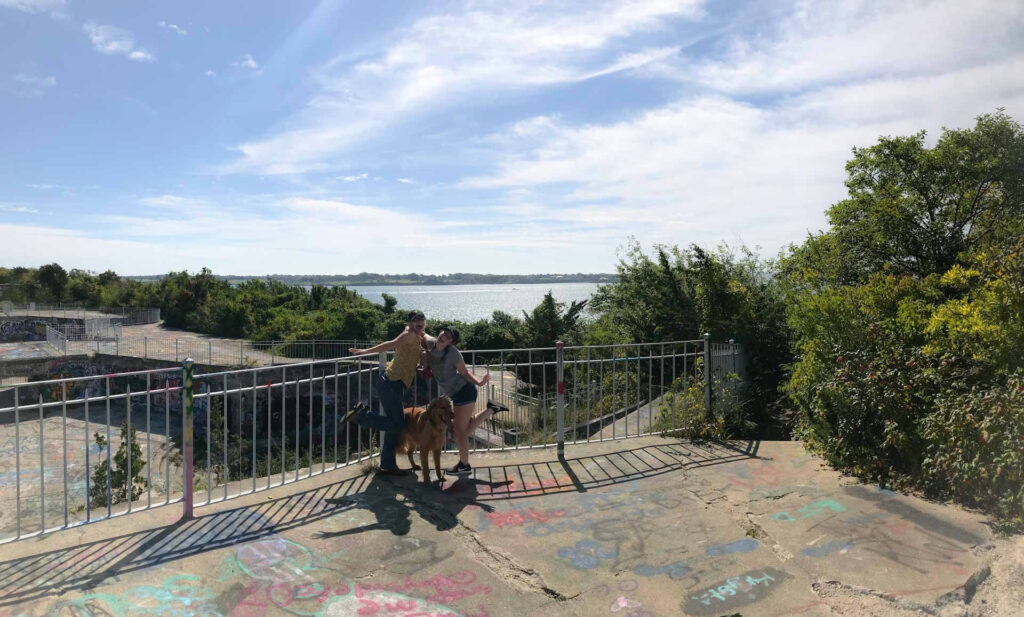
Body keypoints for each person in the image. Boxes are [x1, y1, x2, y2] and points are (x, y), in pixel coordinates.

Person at [341, 310, 427, 476]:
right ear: (410, 323)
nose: (419, 322)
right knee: (398, 424)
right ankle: (361, 416)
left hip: (394, 384)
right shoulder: (408, 335)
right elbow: (390, 344)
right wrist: (366, 352)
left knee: (393, 426)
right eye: (416, 320)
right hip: (390, 383)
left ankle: (387, 465)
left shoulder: (418, 335)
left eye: (422, 319)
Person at [424, 325, 508, 475]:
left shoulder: (453, 354)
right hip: (456, 394)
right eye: (444, 333)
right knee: (464, 429)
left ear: (451, 342)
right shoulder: (430, 343)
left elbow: (465, 373)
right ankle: (491, 409)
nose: (444, 336)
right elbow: (419, 333)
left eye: (449, 337)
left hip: (464, 392)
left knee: (460, 432)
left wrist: (480, 383)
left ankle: (464, 465)